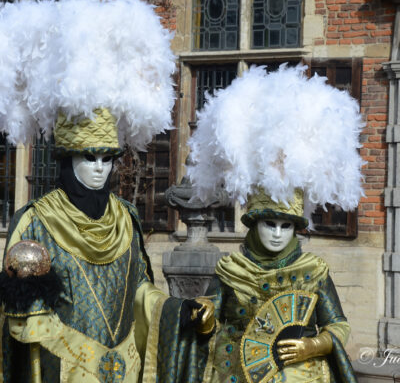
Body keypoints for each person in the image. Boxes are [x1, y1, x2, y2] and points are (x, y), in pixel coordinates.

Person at [0, 110, 214, 382]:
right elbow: (13, 318)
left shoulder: (126, 218)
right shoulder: (35, 221)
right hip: (61, 370)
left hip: (124, 370)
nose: (100, 167)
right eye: (89, 157)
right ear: (68, 159)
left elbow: (139, 291)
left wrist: (180, 311)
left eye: (107, 158)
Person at [205, 189, 357, 382]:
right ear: (254, 224)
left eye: (286, 226)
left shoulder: (313, 270)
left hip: (303, 374)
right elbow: (210, 324)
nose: (277, 234)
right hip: (234, 372)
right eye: (270, 224)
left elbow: (337, 324)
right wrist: (203, 319)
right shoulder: (231, 270)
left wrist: (314, 345)